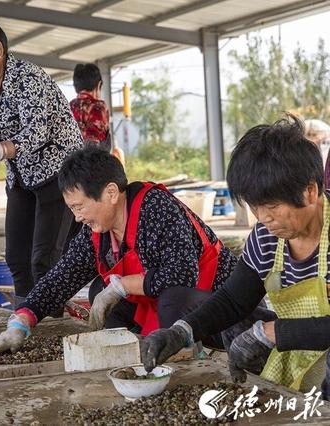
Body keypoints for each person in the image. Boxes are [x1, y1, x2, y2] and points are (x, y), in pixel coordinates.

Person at [0, 146, 258, 355]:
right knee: (98, 291)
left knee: (169, 297)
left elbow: (181, 275)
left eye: (79, 207)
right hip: (162, 309)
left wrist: (121, 286)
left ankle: (185, 357)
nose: (77, 218)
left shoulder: (156, 209)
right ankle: (136, 351)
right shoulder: (96, 233)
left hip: (219, 309)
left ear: (111, 193)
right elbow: (59, 279)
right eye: (72, 209)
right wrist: (22, 320)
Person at [141, 115, 330, 399]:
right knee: (231, 323)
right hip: (301, 350)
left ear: (310, 191)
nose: (264, 218)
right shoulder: (267, 236)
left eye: (272, 206)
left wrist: (271, 332)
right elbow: (233, 299)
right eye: (255, 207)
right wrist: (181, 332)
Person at [0, 14, 84, 304]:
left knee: (44, 259)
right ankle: (26, 318)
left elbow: (38, 130)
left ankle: (51, 322)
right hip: (21, 176)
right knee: (16, 257)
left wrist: (1, 149)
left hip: (57, 174)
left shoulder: (27, 78)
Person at [70, 63, 111, 152]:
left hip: (70, 163)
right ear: (99, 85)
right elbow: (94, 143)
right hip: (93, 163)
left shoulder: (68, 107)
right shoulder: (98, 106)